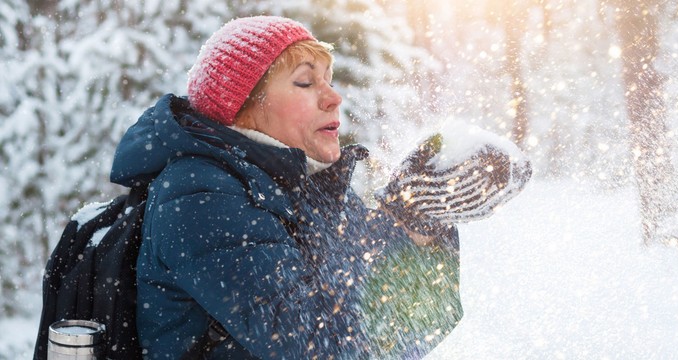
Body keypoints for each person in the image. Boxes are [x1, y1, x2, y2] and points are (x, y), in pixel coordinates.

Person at [110, 16, 530, 359]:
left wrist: (415, 222)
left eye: (329, 79)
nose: (334, 98)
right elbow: (323, 345)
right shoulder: (200, 197)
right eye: (305, 82)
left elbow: (401, 334)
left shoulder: (299, 189)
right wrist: (402, 221)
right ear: (242, 109)